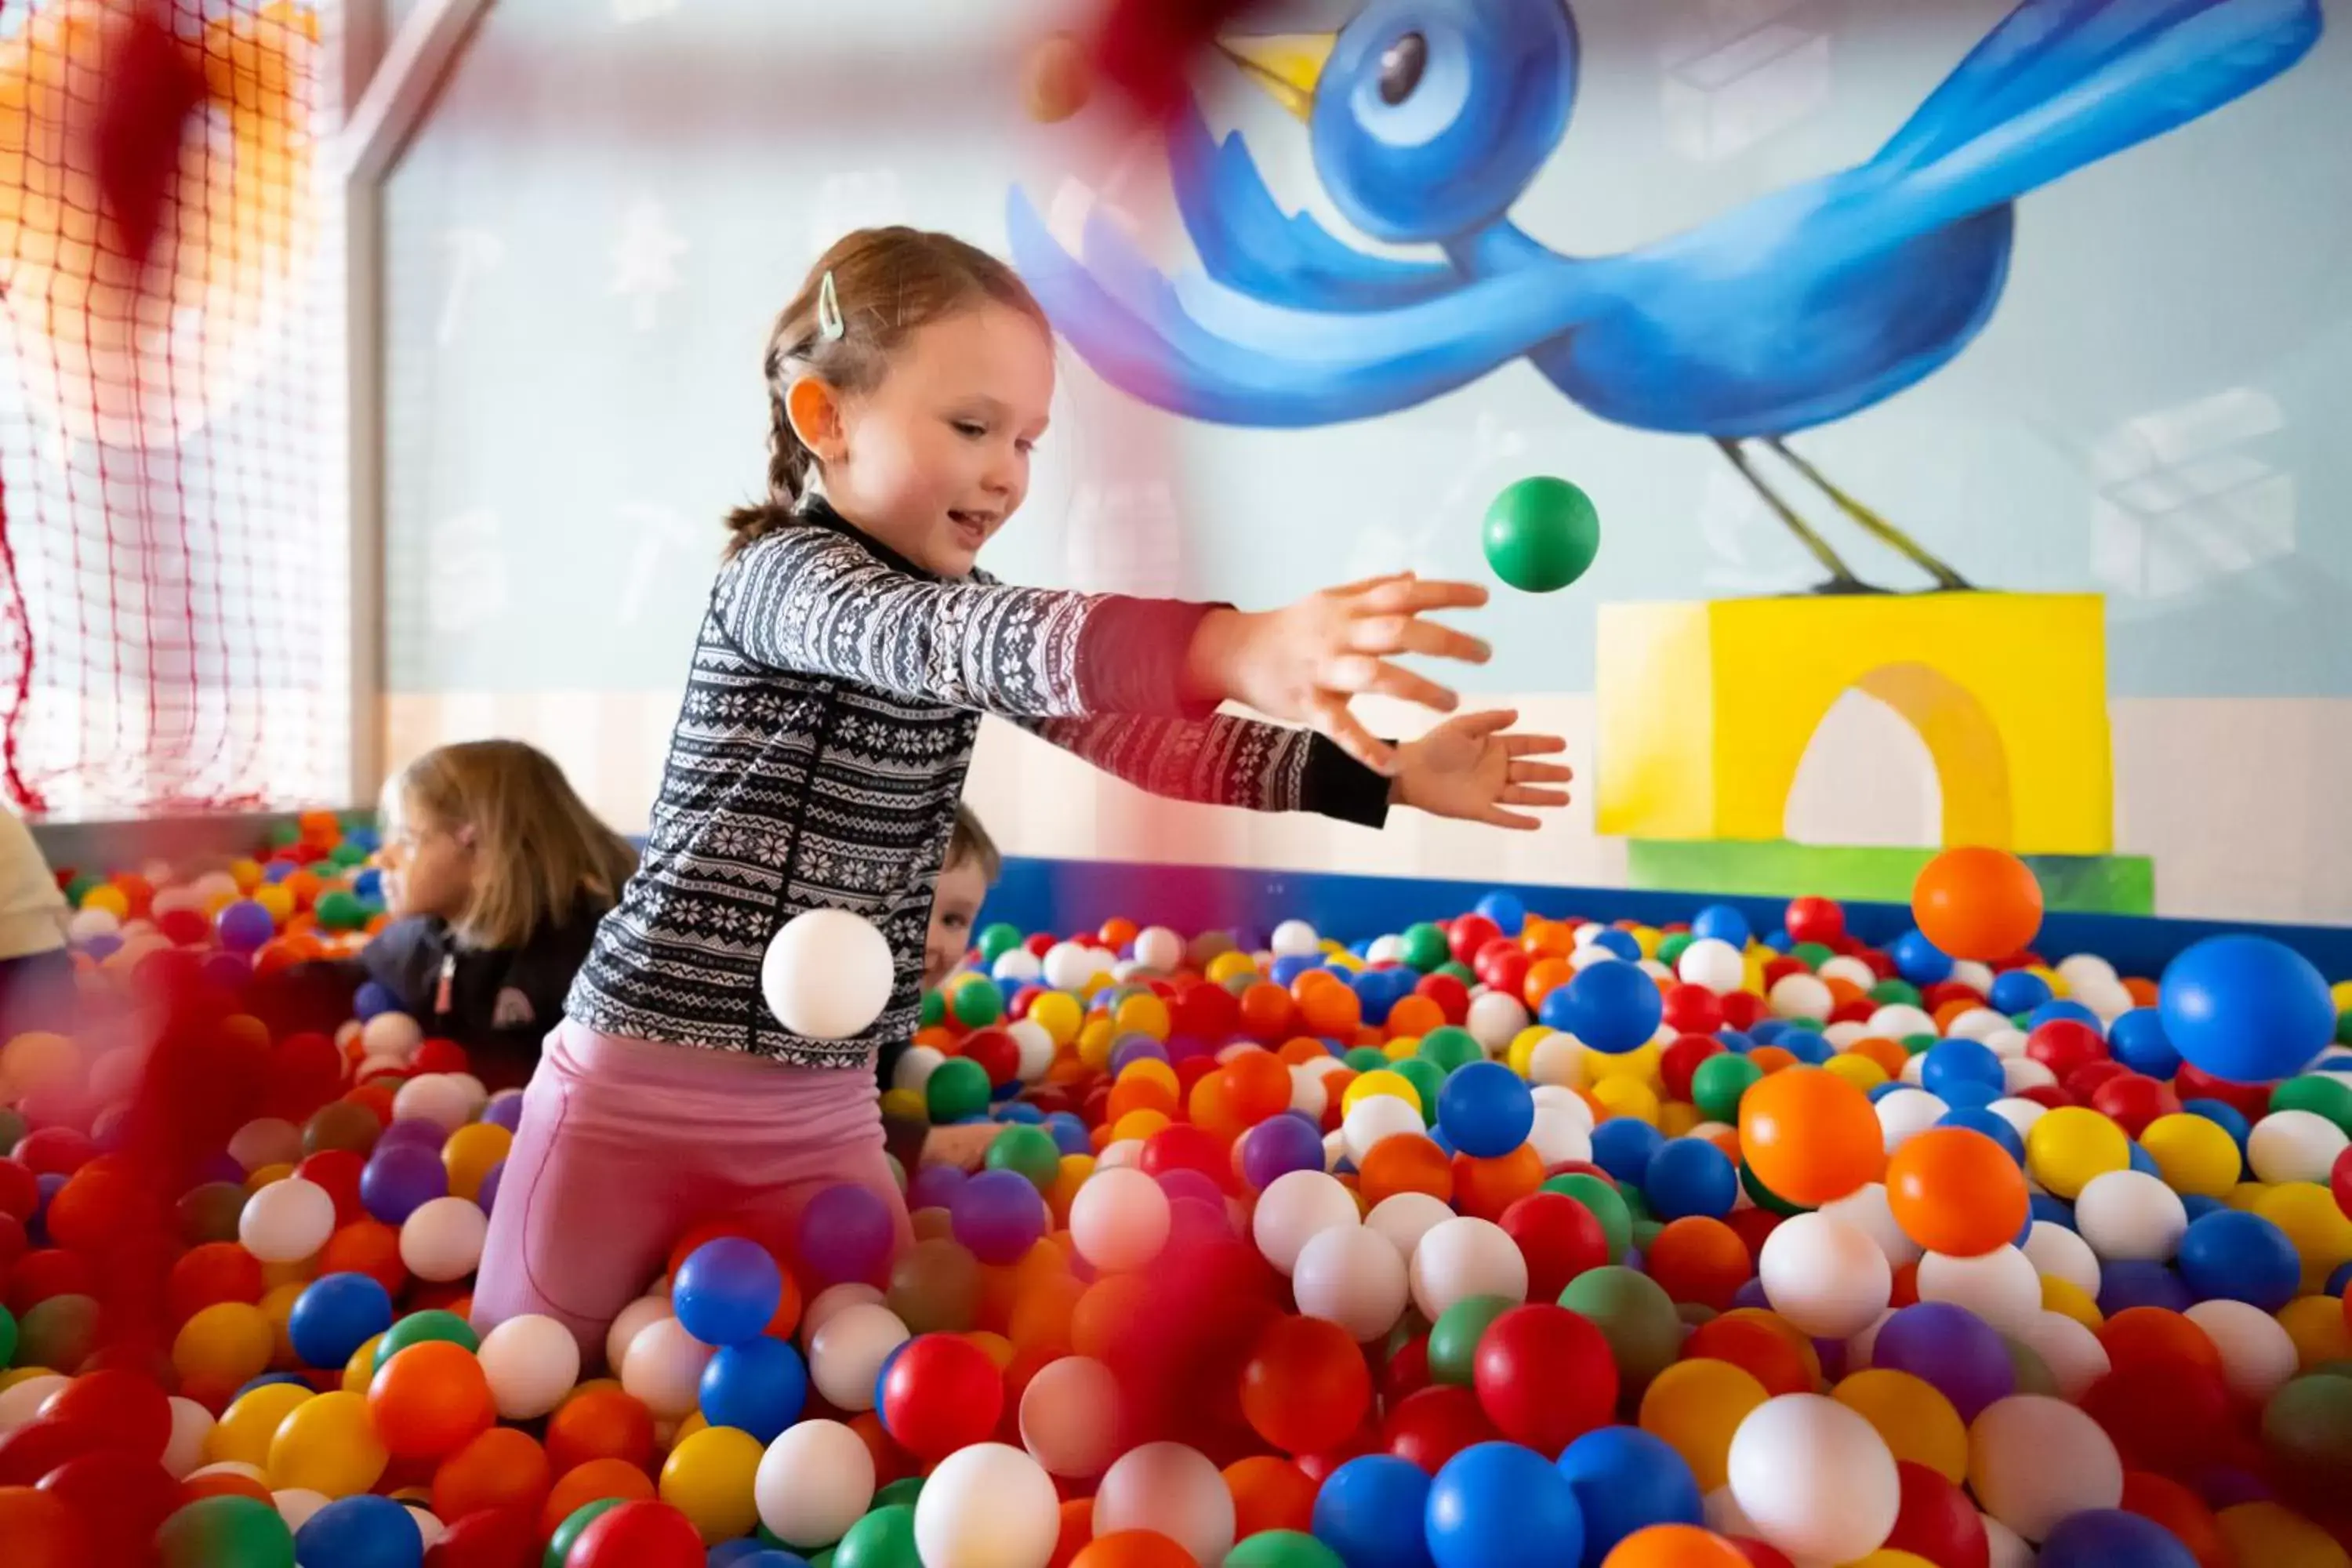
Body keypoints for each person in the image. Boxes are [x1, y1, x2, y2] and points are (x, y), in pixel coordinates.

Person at [471, 226, 1573, 1359]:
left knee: (871, 1385)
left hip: (816, 1113)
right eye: (970, 427)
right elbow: (945, 638)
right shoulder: (781, 584)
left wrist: (1382, 774)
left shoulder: (970, 612)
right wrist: (1232, 645)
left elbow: (1145, 741)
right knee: (522, 1374)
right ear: (826, 419)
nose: (1007, 471)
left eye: (1028, 440)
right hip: (634, 1090)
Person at [346, 741, 637, 1089]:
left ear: (484, 853)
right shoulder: (425, 936)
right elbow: (345, 978)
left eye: (408, 841)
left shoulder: (584, 956)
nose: (382, 858)